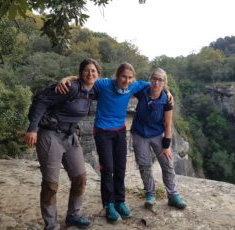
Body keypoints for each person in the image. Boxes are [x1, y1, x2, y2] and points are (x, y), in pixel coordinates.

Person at [56, 62, 173, 223]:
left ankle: (120, 201)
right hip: (103, 131)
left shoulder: (135, 86)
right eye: (124, 76)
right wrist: (67, 79)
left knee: (120, 168)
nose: (127, 80)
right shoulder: (105, 84)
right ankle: (109, 205)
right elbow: (85, 78)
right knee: (107, 169)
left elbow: (157, 84)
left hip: (119, 131)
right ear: (117, 76)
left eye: (130, 77)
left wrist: (168, 92)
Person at [25, 58, 101, 229]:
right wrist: (32, 129)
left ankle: (73, 215)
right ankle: (51, 224)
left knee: (80, 177)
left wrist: (165, 92)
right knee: (51, 184)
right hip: (50, 135)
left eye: (94, 71)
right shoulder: (71, 87)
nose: (90, 73)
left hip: (70, 136)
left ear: (98, 74)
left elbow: (121, 85)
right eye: (86, 70)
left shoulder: (93, 91)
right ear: (81, 73)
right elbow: (43, 101)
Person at [131, 68, 187, 210]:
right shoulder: (142, 91)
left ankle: (173, 195)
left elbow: (168, 123)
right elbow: (126, 83)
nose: (156, 82)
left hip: (157, 134)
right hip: (140, 133)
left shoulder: (166, 100)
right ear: (150, 80)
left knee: (166, 163)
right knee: (144, 165)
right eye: (154, 79)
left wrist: (166, 145)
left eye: (160, 80)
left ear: (164, 83)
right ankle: (150, 193)